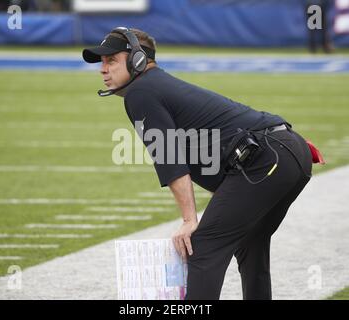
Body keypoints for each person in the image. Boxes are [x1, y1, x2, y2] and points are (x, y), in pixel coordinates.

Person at [82, 27, 313, 300]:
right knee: (250, 245)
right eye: (102, 62)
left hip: (267, 159)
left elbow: (169, 157)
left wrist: (190, 220)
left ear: (138, 60)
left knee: (201, 246)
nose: (103, 69)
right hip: (284, 152)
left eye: (111, 60)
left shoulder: (141, 92)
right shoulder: (156, 85)